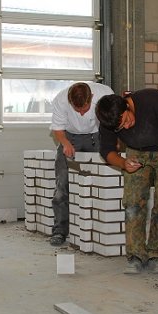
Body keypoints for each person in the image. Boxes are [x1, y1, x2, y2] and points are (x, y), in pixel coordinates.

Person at [95, 89, 158, 274]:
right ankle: (135, 256)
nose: (126, 127)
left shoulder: (151, 100)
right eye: (120, 128)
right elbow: (107, 151)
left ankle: (156, 254)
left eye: (126, 120)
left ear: (127, 105)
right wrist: (123, 163)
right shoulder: (109, 120)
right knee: (133, 203)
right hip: (136, 153)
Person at [49, 81, 114, 246]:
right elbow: (57, 128)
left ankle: (103, 229)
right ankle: (59, 231)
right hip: (70, 136)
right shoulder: (60, 100)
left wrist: (113, 144)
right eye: (77, 110)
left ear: (92, 97)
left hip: (98, 135)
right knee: (62, 183)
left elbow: (113, 121)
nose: (82, 113)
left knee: (104, 181)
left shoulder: (105, 94)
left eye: (85, 108)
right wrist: (65, 143)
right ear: (70, 101)